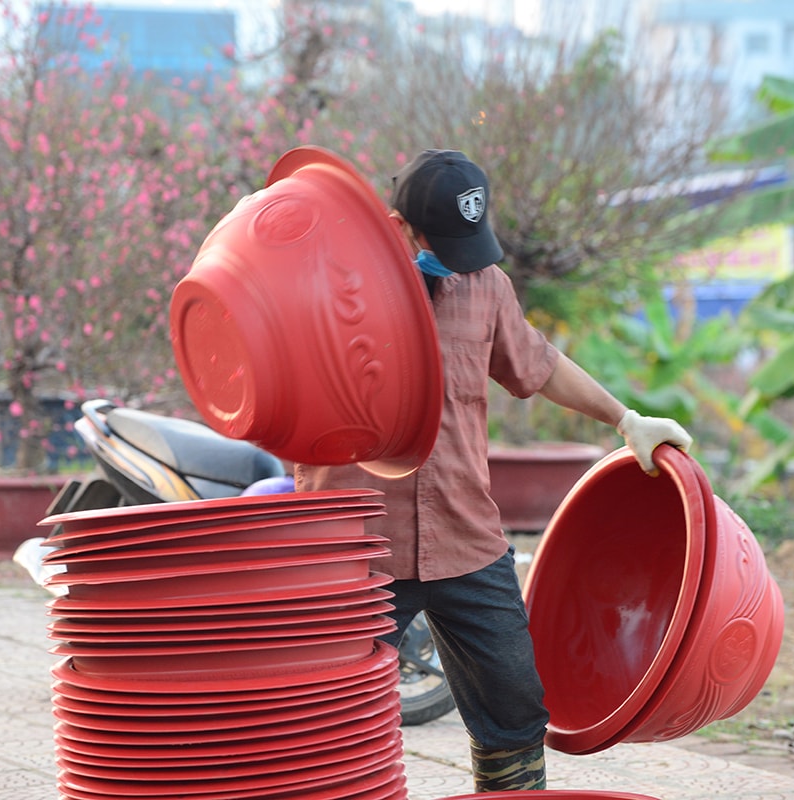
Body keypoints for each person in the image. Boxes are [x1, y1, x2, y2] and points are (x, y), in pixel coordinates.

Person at [294, 149, 693, 792]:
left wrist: (625, 420)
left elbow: (538, 363)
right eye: (444, 243)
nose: (460, 259)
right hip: (356, 545)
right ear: (400, 229)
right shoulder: (329, 285)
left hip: (466, 537)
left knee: (515, 707)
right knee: (325, 720)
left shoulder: (485, 284)